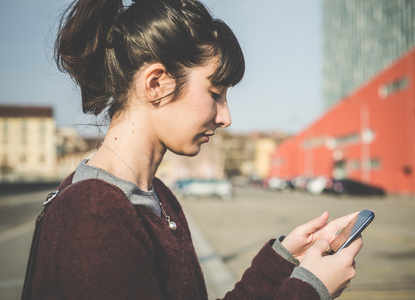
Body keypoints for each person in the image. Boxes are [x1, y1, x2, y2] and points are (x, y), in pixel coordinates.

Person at [26, 0, 363, 299]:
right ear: (156, 83)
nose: (226, 117)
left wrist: (283, 264)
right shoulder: (92, 213)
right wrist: (309, 290)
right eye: (215, 93)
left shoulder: (157, 195)